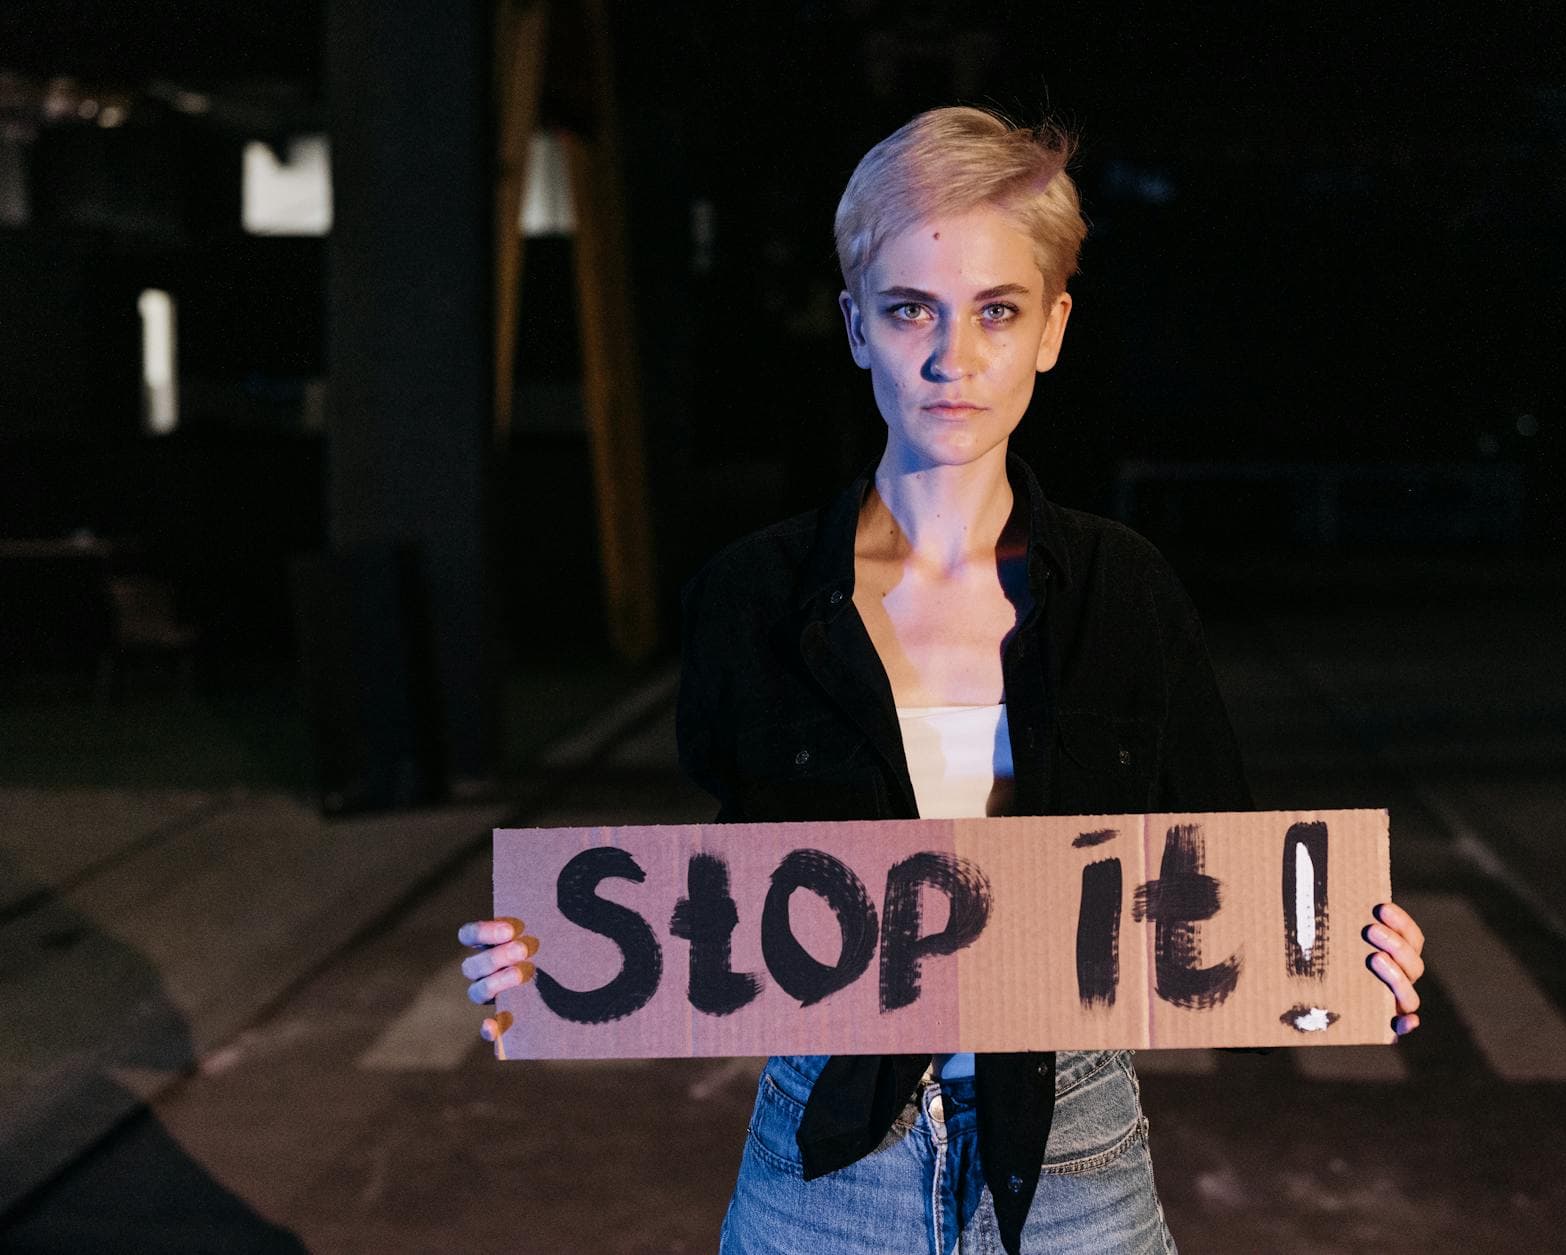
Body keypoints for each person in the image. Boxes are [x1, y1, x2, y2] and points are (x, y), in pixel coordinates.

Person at [459, 105, 1427, 1255]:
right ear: (856, 327)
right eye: (909, 307)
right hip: (823, 1161)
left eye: (996, 311)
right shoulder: (749, 597)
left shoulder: (1125, 591)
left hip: (1073, 1154)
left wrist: (1346, 952)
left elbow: (1228, 871)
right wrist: (559, 957)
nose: (949, 359)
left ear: (1052, 328)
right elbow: (732, 884)